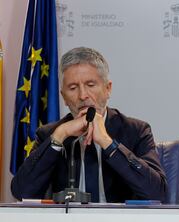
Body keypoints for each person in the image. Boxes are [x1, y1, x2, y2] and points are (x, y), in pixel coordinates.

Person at [11, 47, 166, 202]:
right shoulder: (49, 134)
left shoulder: (135, 131)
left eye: (90, 85)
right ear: (63, 97)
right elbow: (21, 193)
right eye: (73, 88)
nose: (83, 95)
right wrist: (59, 136)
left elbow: (157, 194)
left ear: (108, 89)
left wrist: (108, 143)